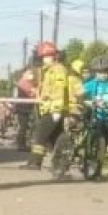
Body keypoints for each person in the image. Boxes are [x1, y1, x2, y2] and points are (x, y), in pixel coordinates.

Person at [25, 41, 76, 170]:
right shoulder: (47, 71)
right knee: (55, 138)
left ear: (54, 56)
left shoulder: (57, 70)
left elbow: (59, 90)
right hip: (49, 109)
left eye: (47, 56)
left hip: (54, 110)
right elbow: (47, 91)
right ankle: (60, 165)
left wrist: (57, 110)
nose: (45, 59)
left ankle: (35, 162)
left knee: (40, 136)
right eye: (43, 57)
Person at [14, 66, 38, 150]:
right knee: (23, 127)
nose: (31, 75)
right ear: (24, 74)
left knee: (25, 127)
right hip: (23, 108)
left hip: (27, 108)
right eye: (29, 73)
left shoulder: (29, 82)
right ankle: (21, 145)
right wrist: (35, 91)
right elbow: (33, 92)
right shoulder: (23, 82)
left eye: (31, 73)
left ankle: (23, 144)